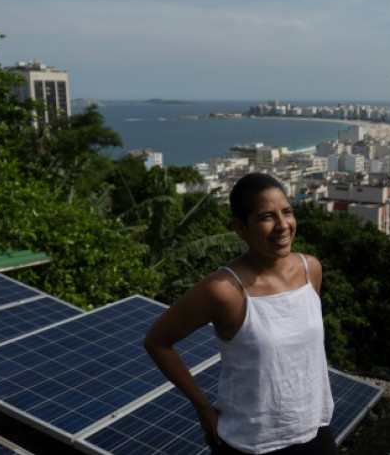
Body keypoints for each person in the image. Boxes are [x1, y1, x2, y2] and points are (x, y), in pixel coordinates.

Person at [143, 172, 337, 455]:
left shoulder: (310, 270)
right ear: (240, 227)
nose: (283, 225)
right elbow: (157, 341)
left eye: (287, 212)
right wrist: (202, 408)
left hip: (315, 428)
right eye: (266, 217)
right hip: (252, 443)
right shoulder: (224, 290)